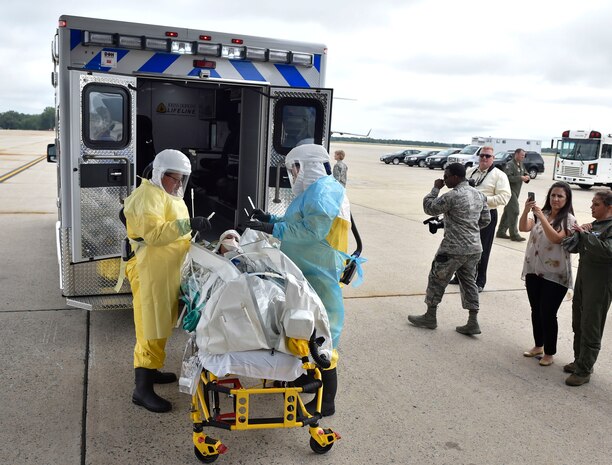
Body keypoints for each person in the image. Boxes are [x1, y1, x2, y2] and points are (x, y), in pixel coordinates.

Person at [246, 143, 350, 416]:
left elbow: (312, 230)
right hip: (307, 272)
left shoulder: (324, 190)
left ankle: (327, 400)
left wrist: (273, 228)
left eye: (295, 167)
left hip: (321, 273)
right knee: (306, 326)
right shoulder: (314, 191)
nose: (292, 173)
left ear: (307, 166)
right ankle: (307, 378)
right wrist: (269, 218)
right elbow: (299, 219)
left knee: (325, 332)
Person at [123, 149, 212, 413]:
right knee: (149, 326)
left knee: (161, 321)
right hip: (150, 270)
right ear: (161, 173)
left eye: (183, 179)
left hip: (166, 271)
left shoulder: (167, 193)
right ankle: (142, 389)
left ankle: (153, 368)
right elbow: (154, 234)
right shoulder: (147, 196)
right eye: (175, 178)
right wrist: (189, 225)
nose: (179, 184)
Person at [408, 163, 490, 335]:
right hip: (474, 248)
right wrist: (465, 227)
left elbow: (429, 207)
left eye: (446, 177)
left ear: (455, 177)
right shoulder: (479, 195)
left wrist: (435, 188)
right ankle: (473, 321)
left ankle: (430, 316)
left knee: (437, 279)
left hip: (453, 249)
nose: (443, 180)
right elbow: (485, 220)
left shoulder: (452, 196)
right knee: (469, 282)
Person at [519, 182, 576, 367]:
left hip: (555, 275)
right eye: (553, 195)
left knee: (548, 313)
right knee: (536, 309)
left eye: (560, 196)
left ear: (567, 200)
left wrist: (541, 217)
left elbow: (556, 238)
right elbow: (523, 228)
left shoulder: (569, 220)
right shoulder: (540, 214)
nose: (555, 199)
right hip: (534, 270)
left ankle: (550, 353)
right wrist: (526, 211)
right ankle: (538, 345)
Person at [562, 191, 612, 386]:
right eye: (592, 203)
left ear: (609, 207)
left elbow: (608, 251)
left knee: (591, 325)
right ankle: (579, 360)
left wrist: (586, 236)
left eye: (596, 204)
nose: (591, 207)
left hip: (600, 283)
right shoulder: (594, 226)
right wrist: (578, 232)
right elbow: (569, 246)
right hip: (584, 279)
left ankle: (584, 370)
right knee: (579, 322)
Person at [451, 146, 511, 291]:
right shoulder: (471, 172)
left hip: (486, 215)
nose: (484, 158)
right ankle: (460, 276)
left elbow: (504, 197)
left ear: (493, 158)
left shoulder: (499, 175)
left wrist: (483, 199)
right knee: (463, 246)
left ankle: (480, 281)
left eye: (488, 156)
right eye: (482, 155)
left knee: (482, 249)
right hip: (467, 215)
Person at [497, 148, 530, 241]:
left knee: (508, 212)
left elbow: (525, 173)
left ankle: (501, 231)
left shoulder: (521, 164)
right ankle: (514, 234)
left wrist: (527, 177)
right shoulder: (510, 165)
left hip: (516, 191)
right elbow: (507, 178)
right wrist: (520, 178)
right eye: (521, 155)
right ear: (516, 154)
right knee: (515, 211)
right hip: (509, 192)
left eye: (524, 156)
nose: (523, 157)